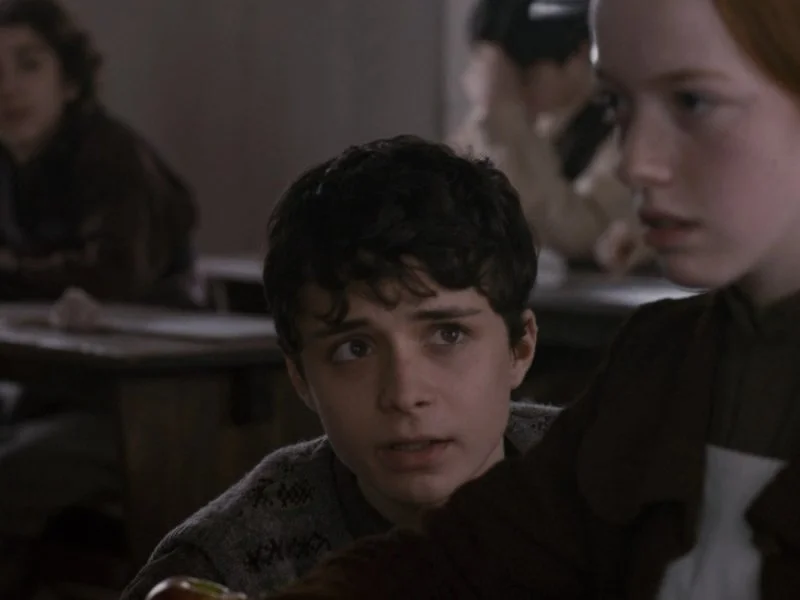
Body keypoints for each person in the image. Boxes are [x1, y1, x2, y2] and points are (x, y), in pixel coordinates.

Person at [153, 0, 800, 597]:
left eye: (692, 101)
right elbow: (462, 553)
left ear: (522, 345)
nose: (634, 162)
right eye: (616, 106)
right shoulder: (660, 360)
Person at [122, 135, 560, 600]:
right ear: (300, 377)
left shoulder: (602, 482)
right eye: (354, 349)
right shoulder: (226, 567)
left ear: (519, 348)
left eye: (448, 335)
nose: (404, 394)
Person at [0, 1, 200, 597]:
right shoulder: (9, 163)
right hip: (52, 389)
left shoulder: (110, 152)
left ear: (69, 79)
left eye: (28, 65)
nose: (8, 88)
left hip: (146, 403)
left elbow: (113, 274)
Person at [451, 0, 650, 273]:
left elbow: (583, 234)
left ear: (579, 55)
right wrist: (490, 118)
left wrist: (505, 119)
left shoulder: (626, 126)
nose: (514, 90)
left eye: (525, 76)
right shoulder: (533, 122)